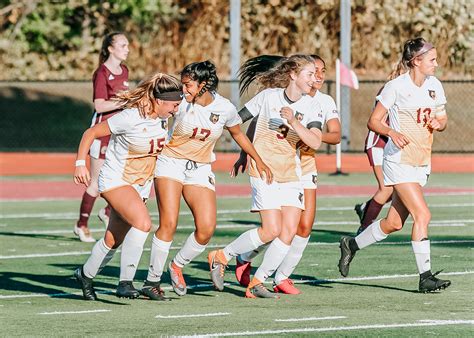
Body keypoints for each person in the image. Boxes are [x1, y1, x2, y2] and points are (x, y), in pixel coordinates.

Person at [143, 60, 272, 297]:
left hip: (200, 168)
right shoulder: (180, 104)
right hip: (170, 163)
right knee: (169, 224)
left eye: (188, 85)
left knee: (206, 228)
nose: (183, 90)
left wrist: (256, 159)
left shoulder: (225, 108)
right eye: (182, 84)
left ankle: (177, 265)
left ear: (203, 84)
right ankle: (151, 281)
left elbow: (237, 134)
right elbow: (153, 112)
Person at [338, 38, 451, 293]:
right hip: (398, 160)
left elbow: (443, 119)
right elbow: (374, 121)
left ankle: (351, 245)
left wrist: (438, 123)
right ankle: (425, 277)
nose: (436, 63)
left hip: (421, 160)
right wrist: (391, 132)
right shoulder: (395, 87)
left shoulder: (435, 86)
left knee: (394, 223)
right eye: (431, 59)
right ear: (416, 61)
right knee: (423, 215)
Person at [208, 55, 323, 298]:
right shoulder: (268, 97)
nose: (315, 79)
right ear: (293, 75)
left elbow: (314, 141)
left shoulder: (312, 106)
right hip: (264, 170)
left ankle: (257, 282)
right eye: (310, 74)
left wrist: (292, 122)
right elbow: (237, 120)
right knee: (271, 230)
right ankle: (222, 256)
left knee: (288, 232)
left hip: (291, 173)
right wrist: (242, 151)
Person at [231, 55, 341, 295]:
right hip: (279, 163)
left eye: (321, 72)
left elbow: (333, 136)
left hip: (304, 164)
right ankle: (245, 258)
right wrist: (245, 151)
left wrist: (303, 132)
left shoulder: (322, 101)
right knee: (276, 228)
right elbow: (262, 123)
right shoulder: (273, 97)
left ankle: (281, 277)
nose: (319, 76)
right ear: (298, 75)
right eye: (313, 72)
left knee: (302, 227)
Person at [73, 72, 183, 301]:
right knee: (143, 223)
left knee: (113, 240)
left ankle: (85, 275)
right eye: (173, 105)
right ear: (159, 101)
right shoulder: (131, 117)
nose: (175, 110)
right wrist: (80, 163)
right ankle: (125, 282)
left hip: (139, 185)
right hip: (116, 180)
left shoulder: (162, 117)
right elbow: (91, 132)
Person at [74, 32, 130, 243]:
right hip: (101, 133)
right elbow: (99, 105)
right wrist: (124, 102)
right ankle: (81, 225)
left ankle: (107, 212)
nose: (127, 49)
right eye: (123, 45)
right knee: (96, 183)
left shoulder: (124, 70)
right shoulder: (102, 73)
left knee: (124, 177)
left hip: (119, 133)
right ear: (111, 49)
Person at [353, 65, 410, 235]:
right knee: (386, 188)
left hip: (391, 145)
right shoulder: (390, 88)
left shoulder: (409, 92)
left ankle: (367, 207)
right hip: (378, 142)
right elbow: (379, 120)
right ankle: (364, 227)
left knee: (397, 189)